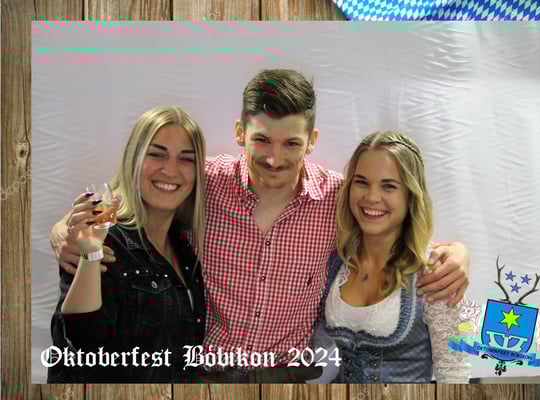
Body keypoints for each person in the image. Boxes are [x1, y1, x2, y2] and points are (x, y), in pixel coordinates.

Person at [50, 69, 470, 383]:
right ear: (240, 132)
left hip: (290, 377)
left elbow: (388, 217)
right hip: (205, 373)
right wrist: (63, 230)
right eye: (261, 140)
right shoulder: (203, 181)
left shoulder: (337, 198)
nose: (274, 158)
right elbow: (133, 194)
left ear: (312, 140)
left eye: (291, 143)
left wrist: (454, 254)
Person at [47, 106, 207, 383]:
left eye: (186, 159)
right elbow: (83, 344)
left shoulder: (185, 248)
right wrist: (90, 254)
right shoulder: (102, 237)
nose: (170, 170)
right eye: (156, 154)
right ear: (134, 158)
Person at [312, 131, 470, 383]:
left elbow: (453, 373)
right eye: (362, 182)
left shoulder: (436, 272)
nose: (371, 197)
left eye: (389, 186)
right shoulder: (335, 261)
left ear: (410, 195)